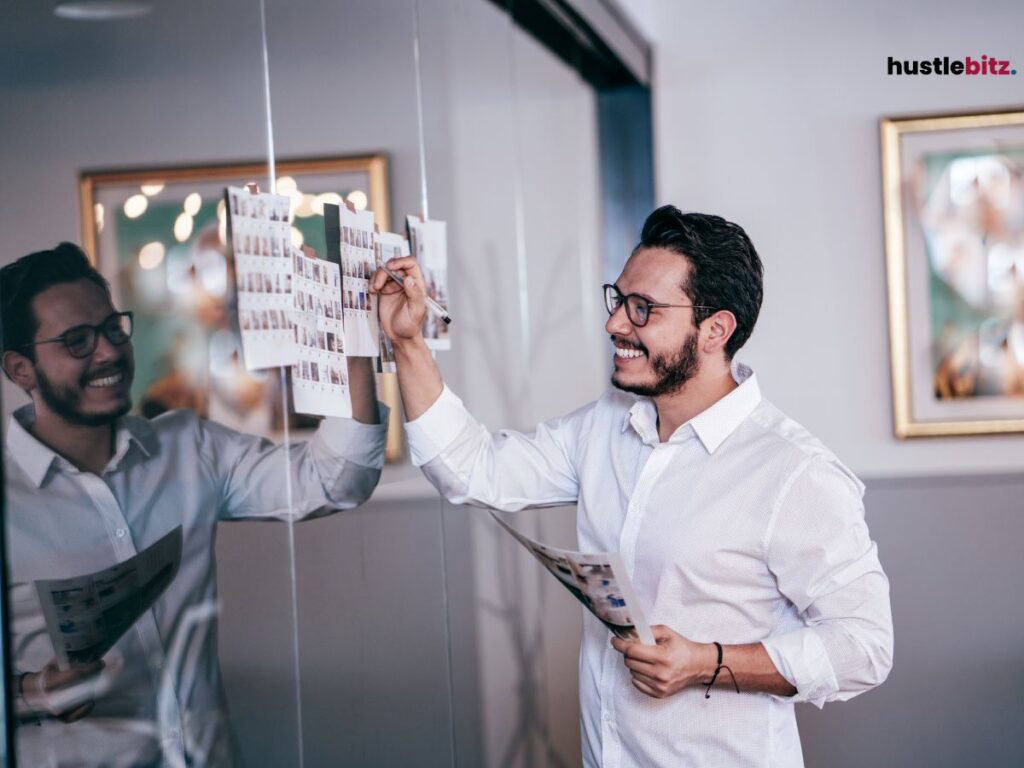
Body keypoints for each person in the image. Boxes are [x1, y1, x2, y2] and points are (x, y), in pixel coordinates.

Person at [370, 205, 893, 767]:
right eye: (618, 300)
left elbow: (864, 648)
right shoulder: (606, 424)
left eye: (642, 309)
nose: (616, 323)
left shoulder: (794, 471)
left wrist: (705, 661)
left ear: (715, 329)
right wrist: (408, 344)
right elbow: (470, 468)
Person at [2, 243, 386, 766]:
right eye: (77, 341)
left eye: (114, 328)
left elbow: (335, 480)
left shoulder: (188, 444)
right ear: (21, 369)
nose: (110, 352)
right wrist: (33, 692)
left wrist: (353, 341)